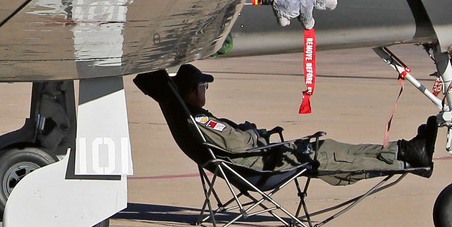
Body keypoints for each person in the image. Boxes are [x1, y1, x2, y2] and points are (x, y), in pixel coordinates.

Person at [173, 64, 435, 183]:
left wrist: (249, 131)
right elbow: (237, 143)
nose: (205, 90)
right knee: (329, 157)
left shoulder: (195, 117)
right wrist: (251, 132)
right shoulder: (200, 120)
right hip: (259, 168)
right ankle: (406, 164)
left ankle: (404, 150)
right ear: (194, 91)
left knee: (328, 146)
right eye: (203, 86)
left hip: (260, 160)